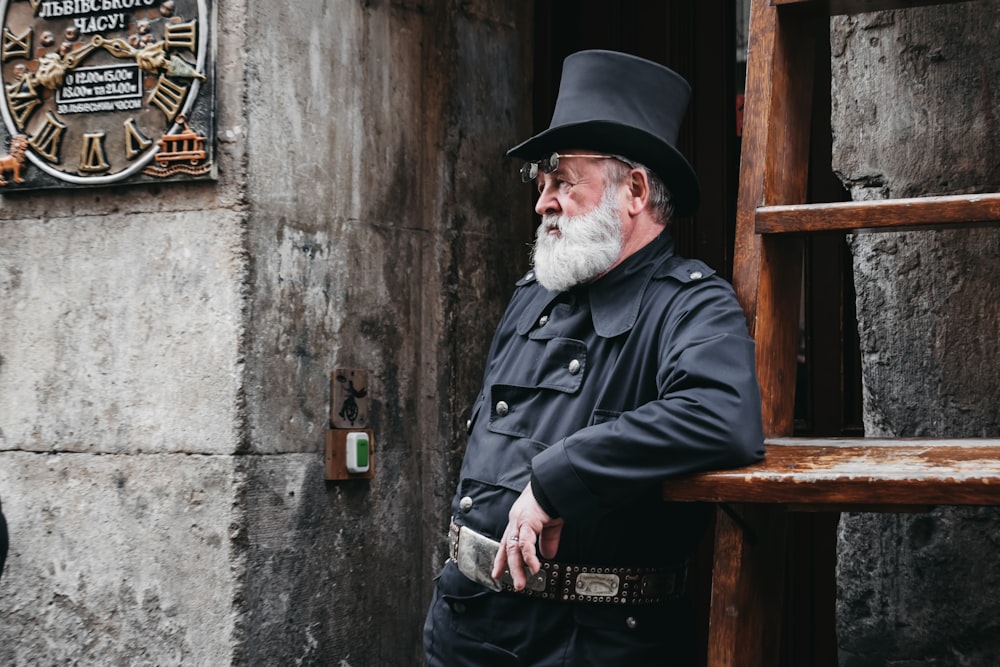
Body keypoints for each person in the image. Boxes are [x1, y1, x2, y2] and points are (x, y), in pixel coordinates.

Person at [423, 50, 765, 665]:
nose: (543, 203)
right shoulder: (532, 294)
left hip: (591, 642)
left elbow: (719, 414)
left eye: (562, 182)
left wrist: (555, 482)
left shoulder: (692, 303)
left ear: (633, 190)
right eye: (542, 184)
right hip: (466, 623)